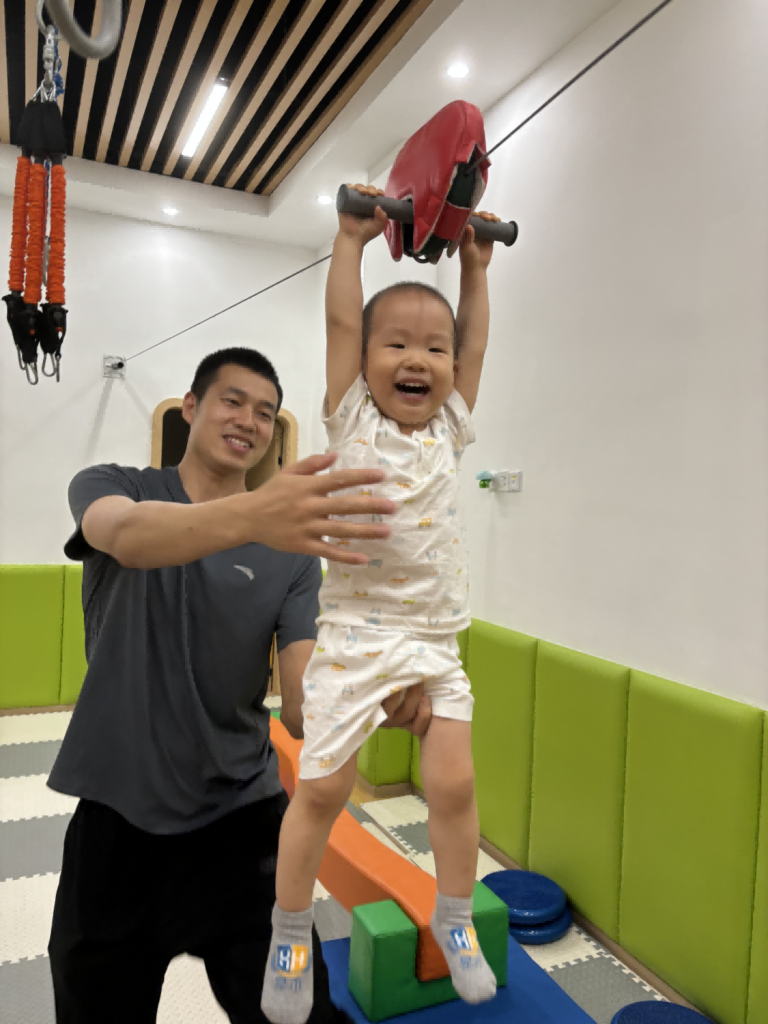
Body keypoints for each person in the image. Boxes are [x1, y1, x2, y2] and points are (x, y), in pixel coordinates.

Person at [47, 346, 431, 1024]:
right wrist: (255, 516)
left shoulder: (290, 552)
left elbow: (304, 697)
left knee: (296, 1012)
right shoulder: (117, 485)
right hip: (117, 822)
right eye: (232, 401)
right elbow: (127, 537)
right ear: (191, 408)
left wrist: (368, 695)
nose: (249, 421)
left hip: (241, 826)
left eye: (265, 413)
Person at [261, 190, 500, 1024]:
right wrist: (349, 242)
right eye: (396, 343)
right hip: (358, 634)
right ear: (365, 361)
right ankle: (290, 931)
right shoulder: (351, 412)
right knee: (324, 791)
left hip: (436, 639)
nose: (420, 360)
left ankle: (457, 915)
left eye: (432, 349)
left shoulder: (451, 425)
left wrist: (473, 266)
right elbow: (337, 324)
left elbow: (474, 338)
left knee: (456, 785)